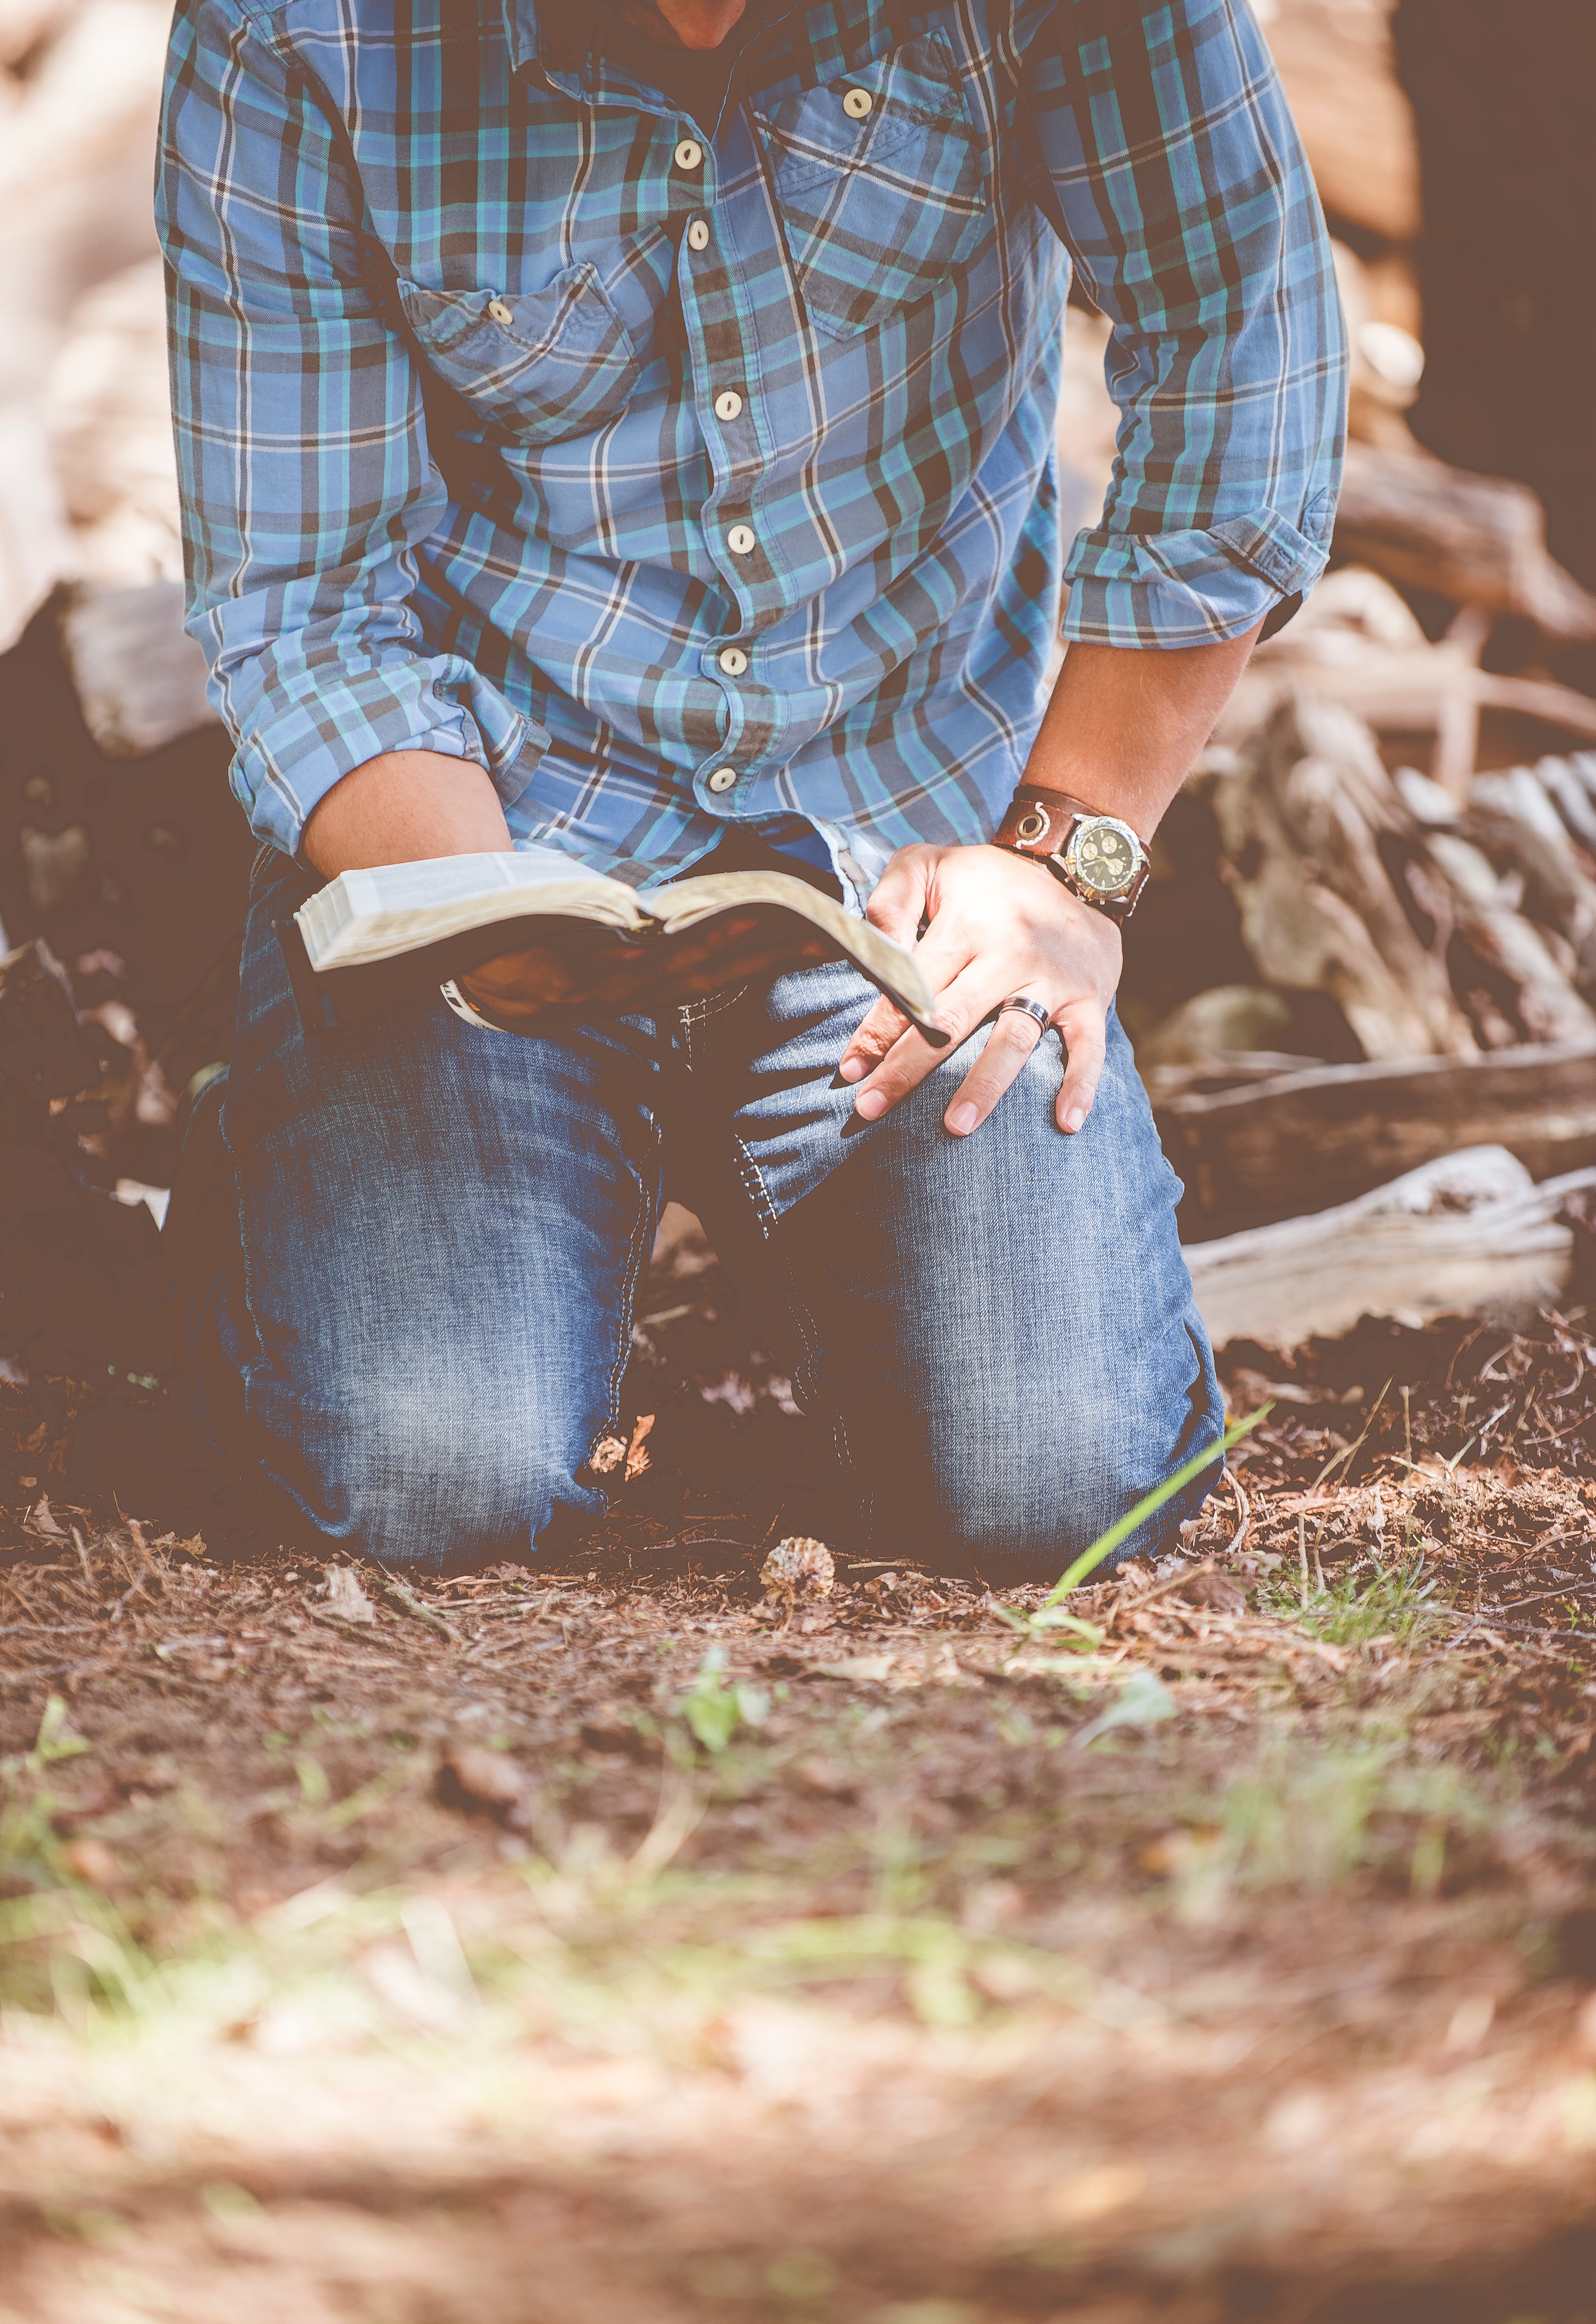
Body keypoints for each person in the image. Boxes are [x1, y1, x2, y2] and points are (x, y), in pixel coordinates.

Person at [156, 0, 1346, 1572]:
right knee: (432, 1483)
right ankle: (274, 1182)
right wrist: (472, 908)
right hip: (489, 824)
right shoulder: (292, 26)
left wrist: (1061, 864)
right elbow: (306, 598)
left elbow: (1241, 358)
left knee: (1060, 1487)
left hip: (914, 853)